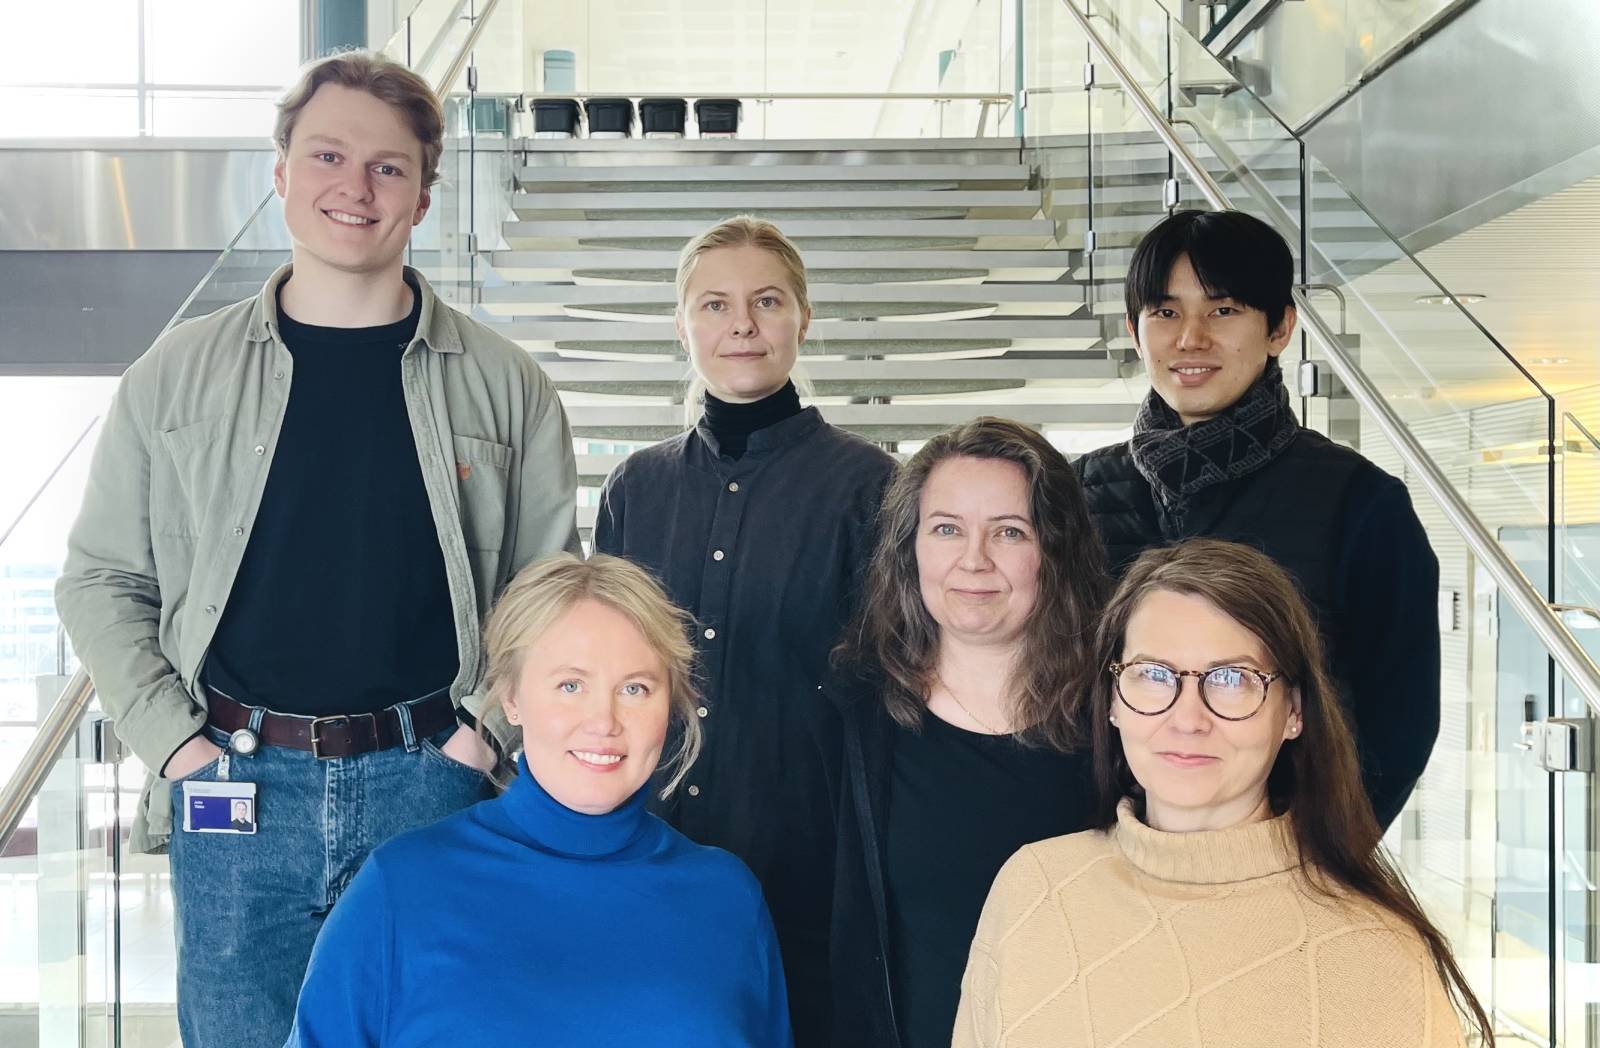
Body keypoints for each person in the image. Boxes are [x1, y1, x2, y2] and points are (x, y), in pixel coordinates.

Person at [53, 50, 579, 1048]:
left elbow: (546, 596)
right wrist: (176, 746)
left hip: (433, 775)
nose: (355, 186)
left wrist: (478, 743)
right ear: (281, 172)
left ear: (425, 195)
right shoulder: (176, 375)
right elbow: (101, 579)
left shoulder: (508, 387)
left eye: (388, 167)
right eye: (328, 155)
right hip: (232, 783)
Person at [953, 538, 1492, 1048]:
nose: (1188, 718)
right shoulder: (1032, 888)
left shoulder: (1379, 958)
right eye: (1154, 674)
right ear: (1112, 700)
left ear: (1295, 713)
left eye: (1233, 679)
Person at [593, 215, 896, 1046]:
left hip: (806, 853)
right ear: (683, 325)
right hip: (653, 845)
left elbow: (892, 680)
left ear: (803, 316)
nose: (742, 325)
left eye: (767, 301)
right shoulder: (636, 487)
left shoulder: (871, 486)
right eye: (714, 304)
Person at [284, 554, 792, 1047]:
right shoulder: (398, 889)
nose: (604, 721)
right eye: (571, 685)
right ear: (511, 698)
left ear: (671, 705)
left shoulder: (727, 898)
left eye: (635, 689)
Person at [1074, 209, 1440, 829]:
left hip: (1282, 862)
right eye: (1165, 313)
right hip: (1105, 853)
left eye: (1223, 310)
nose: (1191, 338)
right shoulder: (1076, 491)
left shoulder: (1361, 501)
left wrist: (1317, 857)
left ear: (1280, 329)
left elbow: (1399, 718)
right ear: (1136, 332)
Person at [826, 417, 1110, 1048]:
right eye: (946, 529)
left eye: (1009, 532)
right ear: (911, 548)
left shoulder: (1120, 722)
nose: (973, 560)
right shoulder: (851, 718)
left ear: (1053, 551)